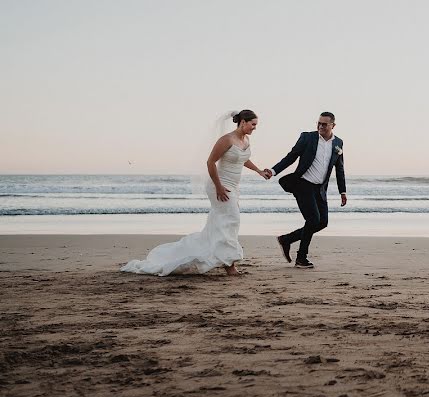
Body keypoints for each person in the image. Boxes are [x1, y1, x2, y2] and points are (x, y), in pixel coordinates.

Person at [122, 110, 268, 276]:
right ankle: (230, 266)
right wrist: (218, 186)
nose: (254, 128)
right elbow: (210, 162)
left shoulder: (245, 140)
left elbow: (242, 158)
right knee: (232, 221)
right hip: (219, 185)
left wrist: (259, 171)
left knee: (220, 224)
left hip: (234, 186)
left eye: (256, 125)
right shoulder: (226, 139)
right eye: (253, 124)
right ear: (242, 122)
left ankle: (220, 259)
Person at [267, 111, 347, 268]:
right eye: (319, 123)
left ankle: (286, 239)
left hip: (320, 188)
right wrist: (273, 170)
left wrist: (342, 191)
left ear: (333, 125)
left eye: (325, 124)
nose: (321, 126)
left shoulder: (338, 143)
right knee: (312, 220)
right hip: (303, 184)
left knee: (322, 222)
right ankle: (301, 258)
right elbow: (291, 157)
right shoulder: (307, 137)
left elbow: (340, 168)